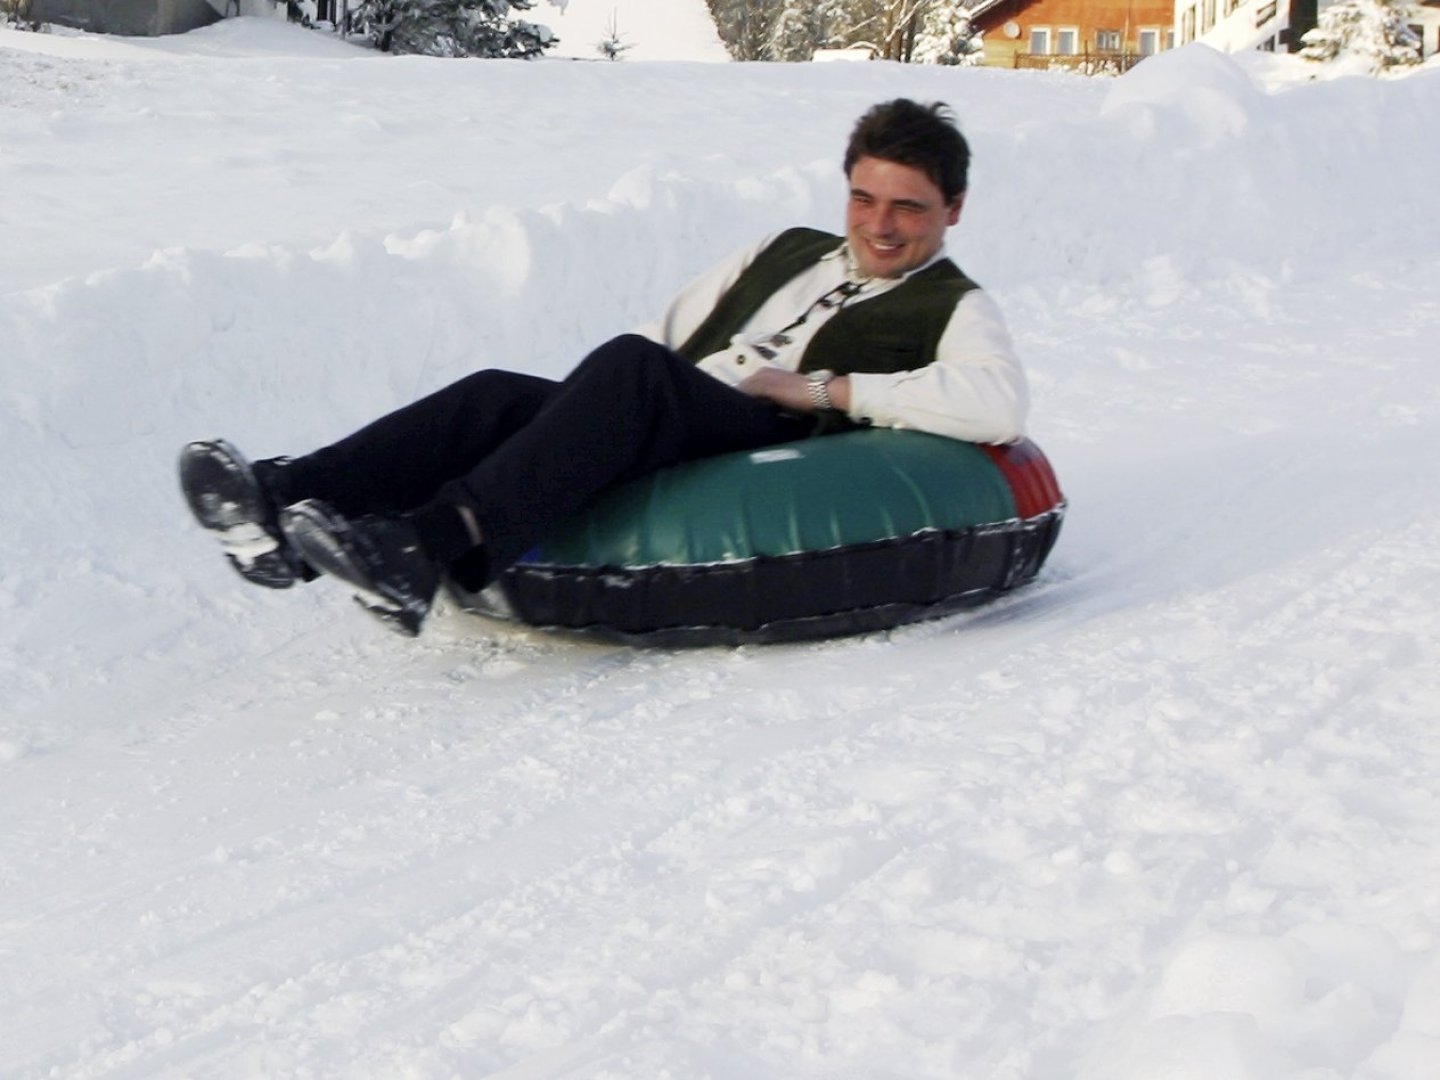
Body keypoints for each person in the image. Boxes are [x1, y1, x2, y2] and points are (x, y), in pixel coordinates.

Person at [179, 99, 1028, 636]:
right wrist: (570, 419)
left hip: (765, 434)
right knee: (497, 396)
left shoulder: (954, 303)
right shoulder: (786, 249)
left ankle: (422, 551)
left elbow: (997, 405)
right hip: (675, 403)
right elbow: (665, 332)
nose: (880, 224)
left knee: (631, 370)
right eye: (864, 198)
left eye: (908, 208)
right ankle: (281, 503)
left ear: (951, 208)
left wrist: (823, 389)